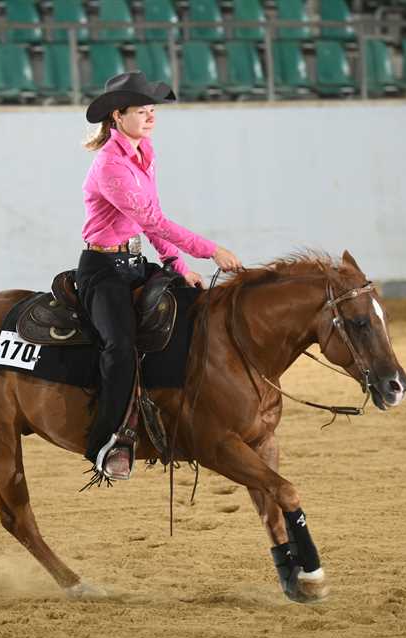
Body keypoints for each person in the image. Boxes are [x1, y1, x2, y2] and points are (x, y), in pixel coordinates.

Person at [79, 71, 242, 482]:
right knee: (119, 347)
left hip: (134, 264)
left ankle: (181, 415)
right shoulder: (110, 166)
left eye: (153, 110)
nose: (151, 117)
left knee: (191, 316)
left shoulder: (143, 154)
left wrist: (179, 267)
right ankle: (106, 442)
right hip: (102, 270)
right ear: (118, 116)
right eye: (142, 111)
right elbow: (153, 220)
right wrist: (209, 250)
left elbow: (150, 225)